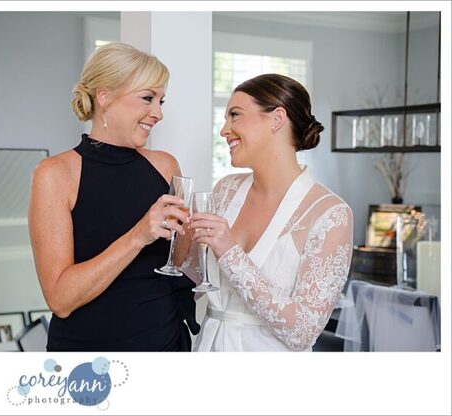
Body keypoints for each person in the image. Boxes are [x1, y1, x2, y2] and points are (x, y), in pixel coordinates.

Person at [28, 42, 197, 351]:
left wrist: (194, 230)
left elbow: (181, 260)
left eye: (161, 100)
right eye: (147, 98)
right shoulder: (55, 174)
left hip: (166, 342)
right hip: (91, 354)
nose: (158, 113)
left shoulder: (165, 165)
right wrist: (138, 236)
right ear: (104, 97)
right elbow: (60, 299)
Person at [181, 73, 353, 351]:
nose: (224, 130)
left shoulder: (330, 214)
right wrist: (180, 237)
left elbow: (302, 332)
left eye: (234, 115)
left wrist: (229, 250)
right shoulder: (226, 190)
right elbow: (201, 278)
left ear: (276, 119)